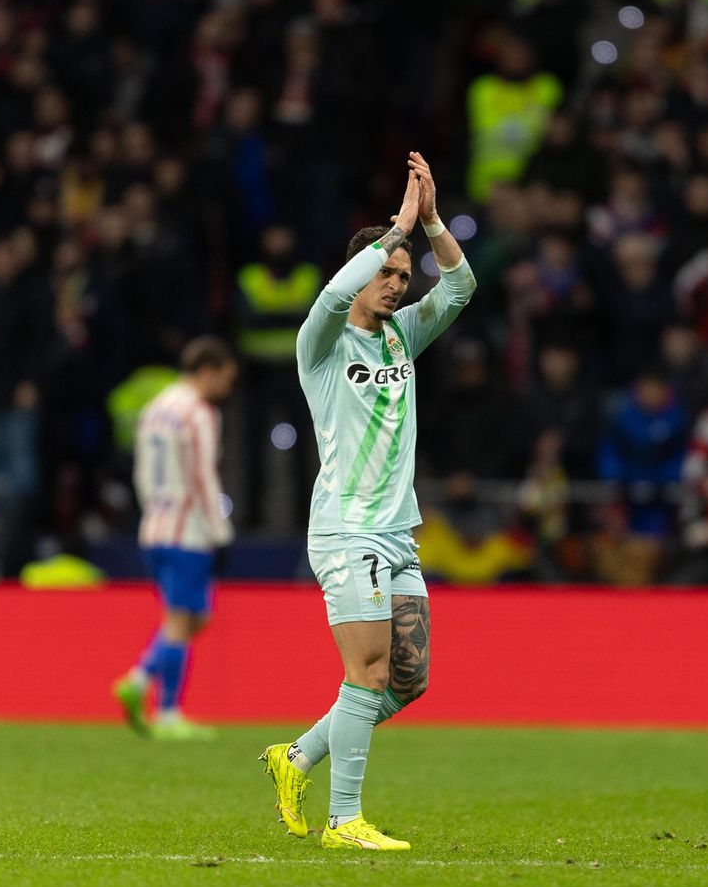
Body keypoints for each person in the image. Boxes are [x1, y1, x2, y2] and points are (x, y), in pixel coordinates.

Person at [260, 152, 475, 851]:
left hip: (395, 533)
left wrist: (433, 222)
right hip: (347, 529)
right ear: (359, 273)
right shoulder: (319, 345)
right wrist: (399, 226)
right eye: (386, 272)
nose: (396, 284)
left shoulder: (402, 337)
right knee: (369, 672)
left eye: (404, 278)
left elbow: (462, 285)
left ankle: (294, 760)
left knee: (408, 681)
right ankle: (343, 820)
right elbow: (329, 297)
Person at [112, 337, 239, 739]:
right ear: (206, 370)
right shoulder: (198, 414)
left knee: (192, 617)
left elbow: (140, 472)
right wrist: (220, 531)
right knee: (182, 621)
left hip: (155, 526)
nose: (227, 388)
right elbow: (203, 476)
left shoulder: (156, 408)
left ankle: (148, 688)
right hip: (190, 532)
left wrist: (153, 509)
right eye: (224, 378)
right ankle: (159, 702)